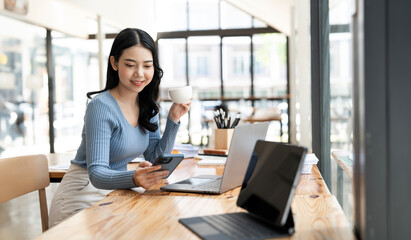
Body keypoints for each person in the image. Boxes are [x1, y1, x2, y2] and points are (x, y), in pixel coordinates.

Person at [49, 28, 190, 227]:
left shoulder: (148, 106)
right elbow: (97, 173)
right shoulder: (100, 106)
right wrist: (134, 177)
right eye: (130, 65)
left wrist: (174, 119)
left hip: (115, 193)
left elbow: (154, 159)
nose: (139, 74)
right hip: (81, 197)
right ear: (114, 63)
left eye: (147, 66)